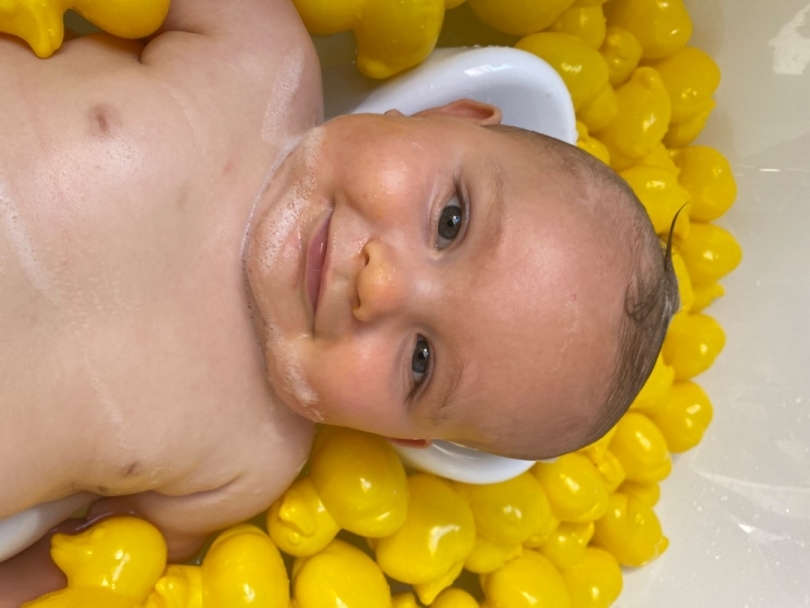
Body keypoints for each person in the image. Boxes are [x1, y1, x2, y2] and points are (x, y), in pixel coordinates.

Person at [0, 0, 678, 603]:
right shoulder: (257, 55)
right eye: (450, 222)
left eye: (420, 361)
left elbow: (90, 573)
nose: (383, 287)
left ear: (395, 432)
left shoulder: (248, 464)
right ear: (447, 115)